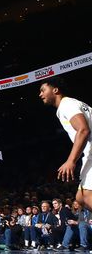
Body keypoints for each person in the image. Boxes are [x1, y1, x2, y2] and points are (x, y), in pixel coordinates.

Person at [39, 77, 92, 211]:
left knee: (86, 196)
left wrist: (71, 160)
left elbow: (83, 130)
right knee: (80, 198)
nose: (40, 94)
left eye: (43, 90)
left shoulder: (66, 105)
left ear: (55, 90)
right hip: (89, 152)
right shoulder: (69, 104)